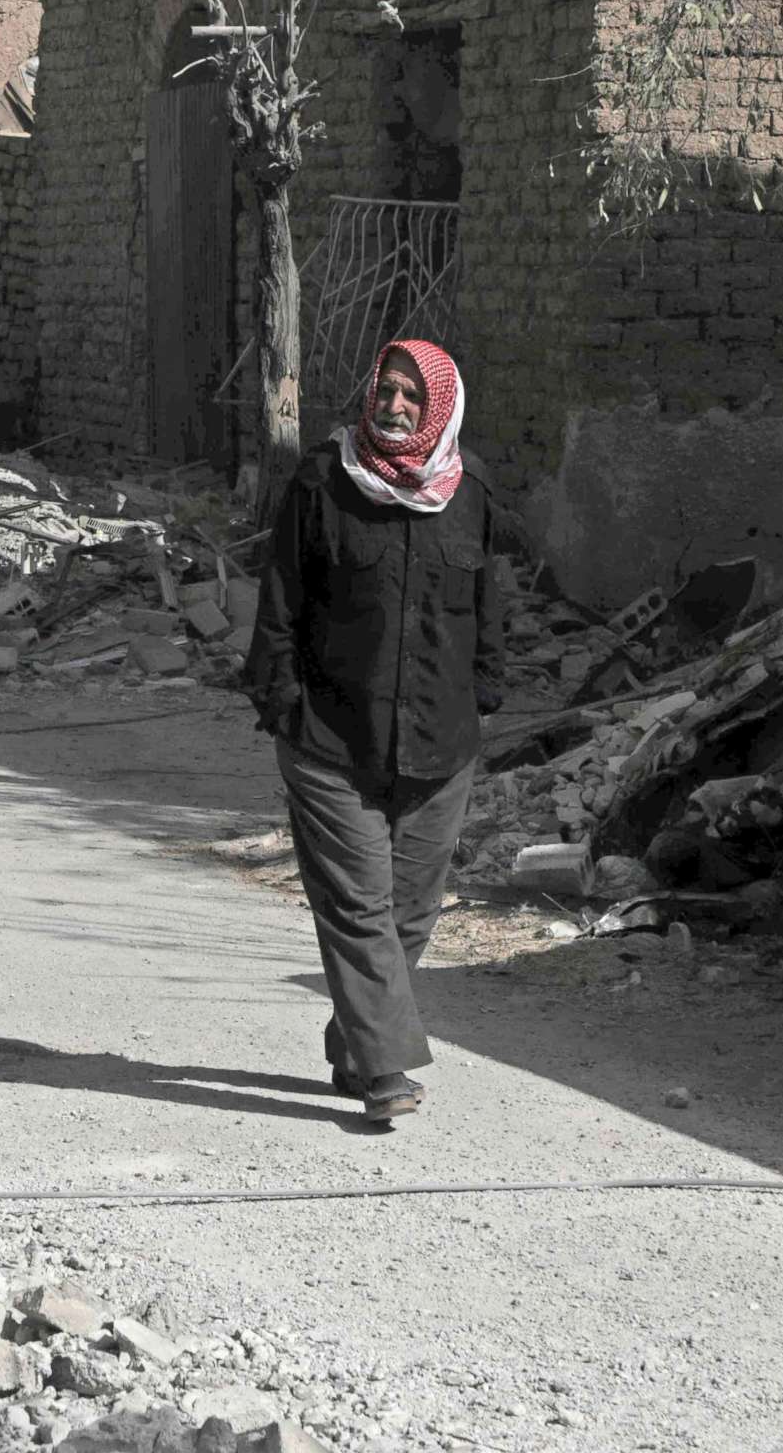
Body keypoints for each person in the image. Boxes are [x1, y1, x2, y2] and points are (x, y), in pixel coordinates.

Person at [243, 340, 502, 1126]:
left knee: (411, 915)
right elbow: (280, 603)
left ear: (442, 409)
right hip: (330, 739)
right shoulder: (324, 481)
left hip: (438, 743)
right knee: (359, 906)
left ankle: (356, 1039)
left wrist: (486, 692)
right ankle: (384, 1071)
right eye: (383, 390)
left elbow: (491, 610)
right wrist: (283, 703)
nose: (392, 406)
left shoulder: (472, 491)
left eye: (411, 398)